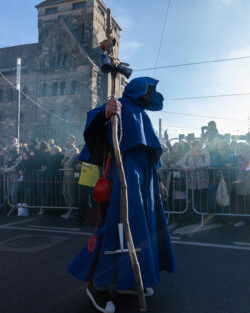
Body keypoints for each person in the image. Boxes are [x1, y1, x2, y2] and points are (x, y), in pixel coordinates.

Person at [67, 77, 176, 313]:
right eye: (149, 90)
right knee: (114, 230)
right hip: (123, 178)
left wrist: (157, 182)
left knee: (140, 231)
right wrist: (106, 114)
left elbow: (148, 153)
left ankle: (127, 282)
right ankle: (97, 284)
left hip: (144, 183)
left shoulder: (142, 114)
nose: (152, 94)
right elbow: (94, 122)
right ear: (138, 90)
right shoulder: (119, 105)